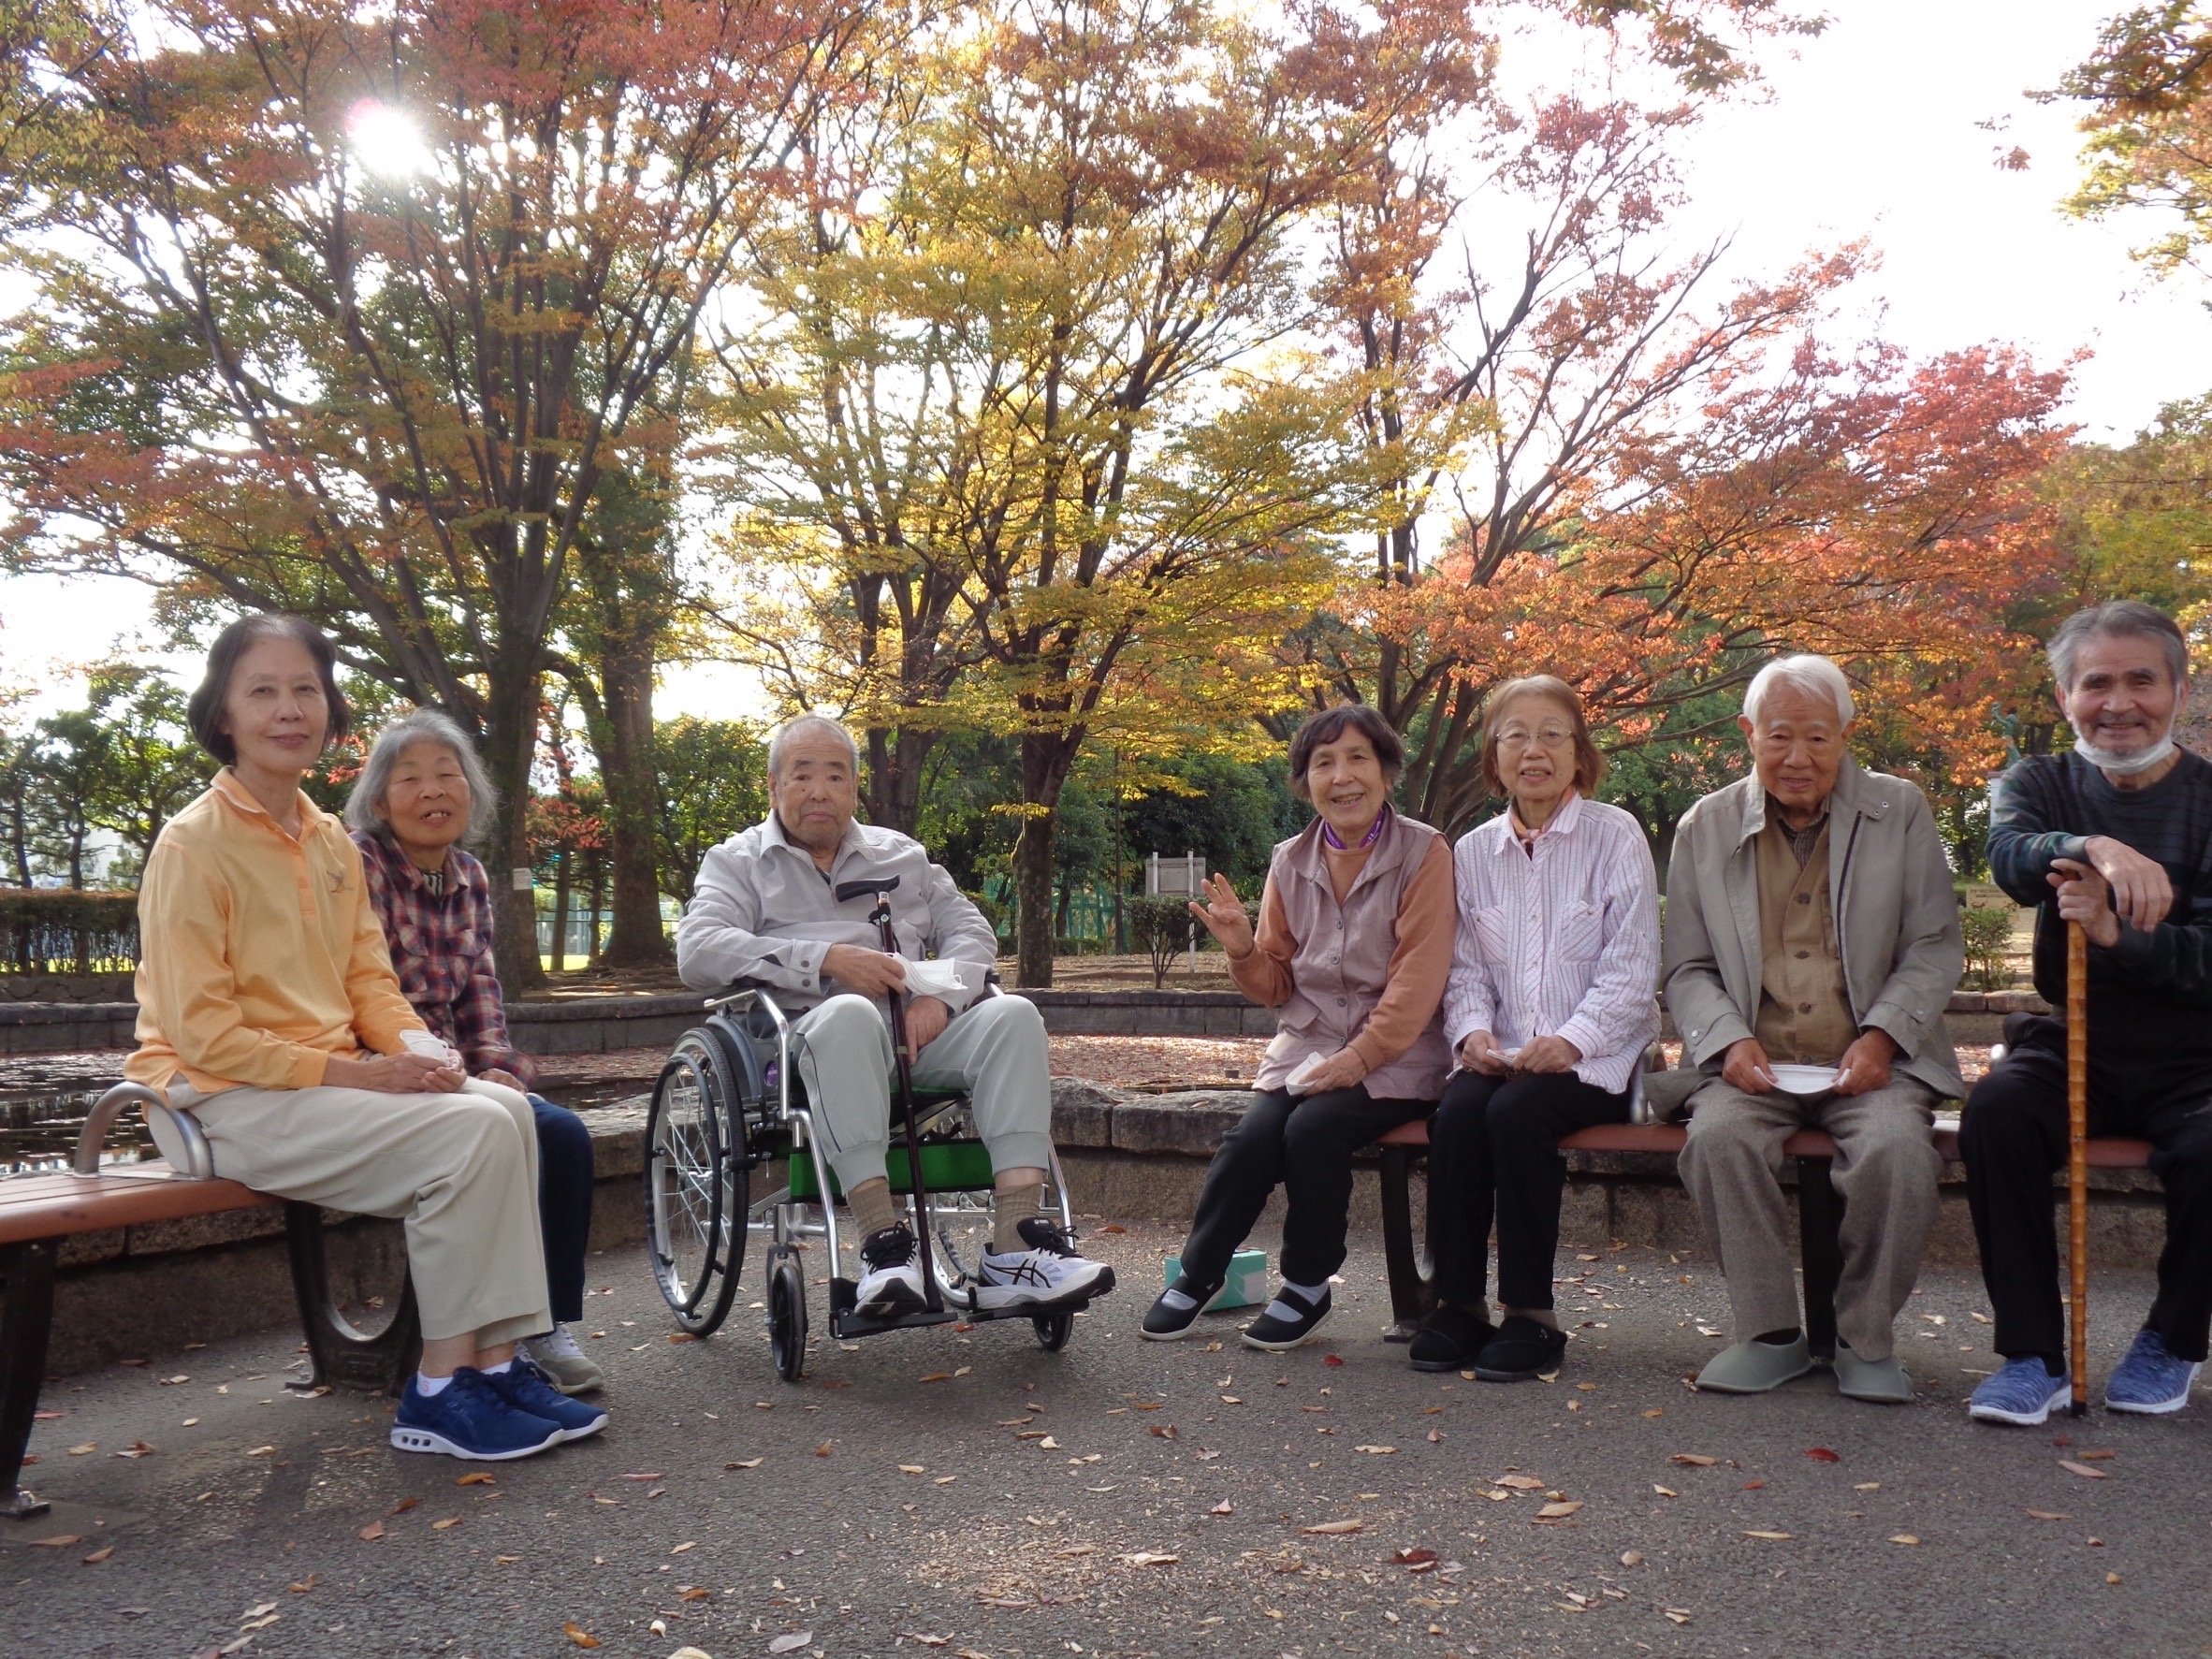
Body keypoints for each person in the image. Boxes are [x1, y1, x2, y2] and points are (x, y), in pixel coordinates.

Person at [125, 615, 605, 1460]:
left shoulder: (326, 843)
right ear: (224, 714)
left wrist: (424, 1052)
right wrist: (363, 1076)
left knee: (508, 1111)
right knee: (468, 1133)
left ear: (330, 706)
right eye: (263, 691)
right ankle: (437, 1390)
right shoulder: (192, 844)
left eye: (306, 688)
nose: (289, 709)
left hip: (318, 1083)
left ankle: (493, 1363)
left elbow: (369, 985)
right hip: (217, 1097)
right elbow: (203, 1037)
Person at [675, 714, 1114, 1319]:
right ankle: (884, 1243)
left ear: (856, 788)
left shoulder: (900, 854)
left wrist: (943, 997)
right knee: (848, 1012)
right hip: (812, 1038)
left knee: (1014, 1014)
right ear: (773, 786)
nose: (820, 790)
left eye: (836, 775)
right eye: (803, 775)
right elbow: (698, 950)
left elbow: (968, 930)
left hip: (914, 1031)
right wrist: (825, 959)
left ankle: (1016, 1248)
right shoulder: (737, 862)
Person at [1664, 655, 1963, 1403]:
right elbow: (1686, 966)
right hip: (1755, 1059)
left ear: (1847, 735)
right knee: (1720, 1140)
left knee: (1898, 1151)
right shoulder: (1706, 825)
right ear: (1748, 734)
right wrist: (1728, 1038)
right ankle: (1769, 1333)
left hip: (1870, 1060)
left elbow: (1933, 943)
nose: (1798, 758)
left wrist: (1885, 1035)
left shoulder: (1900, 809)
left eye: (1818, 739)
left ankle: (1866, 1338)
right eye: (1779, 737)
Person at [1962, 601, 2212, 1425]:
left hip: (2194, 1052)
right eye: (2094, 682)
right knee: (1996, 1111)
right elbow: (2010, 857)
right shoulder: (2037, 781)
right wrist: (2093, 848)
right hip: (2076, 1039)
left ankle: (2171, 1339)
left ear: (2177, 687)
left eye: (2141, 679)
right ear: (2066, 696)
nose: (2119, 702)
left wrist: (2118, 933)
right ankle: (2031, 1354)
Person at [1141, 704, 1454, 1351]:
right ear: (1305, 780)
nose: (1342, 776)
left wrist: (1361, 1056)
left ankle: (1308, 1284)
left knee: (1314, 1128)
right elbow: (1277, 984)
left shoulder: (1425, 853)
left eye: (1358, 758)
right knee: (1251, 1138)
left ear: (1387, 771)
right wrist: (1241, 950)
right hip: (1309, 1043)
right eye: (1324, 762)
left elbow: (1419, 981)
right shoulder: (1291, 859)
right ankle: (1200, 1272)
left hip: (1398, 1050)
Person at [345, 709, 604, 1395]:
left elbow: (482, 993)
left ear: (471, 789)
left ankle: (543, 1321)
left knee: (564, 1134)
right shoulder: (356, 864)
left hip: (457, 1071)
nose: (433, 791)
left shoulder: (470, 876)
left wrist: (497, 1065)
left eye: (447, 774)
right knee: (509, 1131)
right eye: (411, 779)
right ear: (378, 799)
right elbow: (352, 995)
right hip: (383, 1070)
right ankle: (483, 1343)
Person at [1413, 677, 1660, 1380]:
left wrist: (1571, 1039)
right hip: (1504, 1053)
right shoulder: (1472, 852)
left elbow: (1631, 968)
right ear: (1494, 757)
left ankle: (1531, 1313)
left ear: (1579, 752)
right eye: (1515, 735)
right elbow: (1464, 970)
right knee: (1459, 1113)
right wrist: (1471, 1035)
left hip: (1599, 1059)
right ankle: (1458, 1304)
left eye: (1553, 733)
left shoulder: (1616, 836)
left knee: (1519, 1113)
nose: (1534, 750)